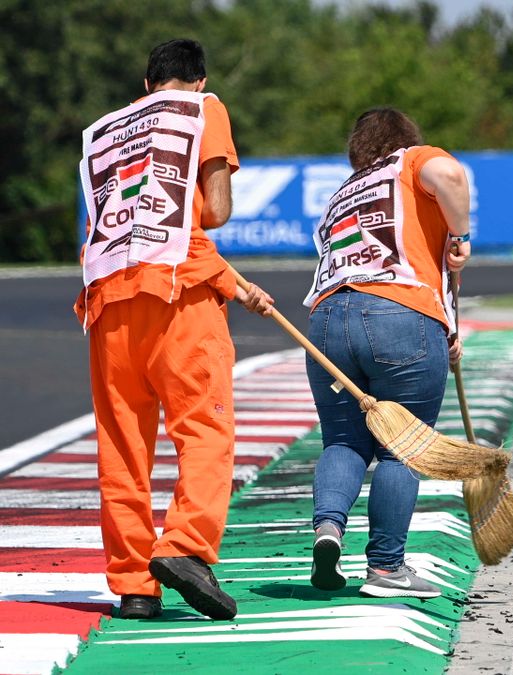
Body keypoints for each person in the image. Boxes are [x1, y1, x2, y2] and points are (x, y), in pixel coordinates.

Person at [75, 38, 274, 621]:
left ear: (145, 86)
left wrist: (230, 280)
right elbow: (211, 212)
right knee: (204, 430)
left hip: (107, 301)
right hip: (177, 296)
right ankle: (185, 548)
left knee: (122, 448)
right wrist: (226, 279)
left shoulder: (107, 130)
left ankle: (136, 584)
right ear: (199, 79)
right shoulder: (203, 108)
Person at [303, 107, 471, 598]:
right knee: (402, 448)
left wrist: (446, 325)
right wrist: (460, 235)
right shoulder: (412, 161)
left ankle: (328, 529)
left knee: (343, 441)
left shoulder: (341, 194)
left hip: (328, 320)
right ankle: (385, 567)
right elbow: (450, 174)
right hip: (399, 315)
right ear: (404, 139)